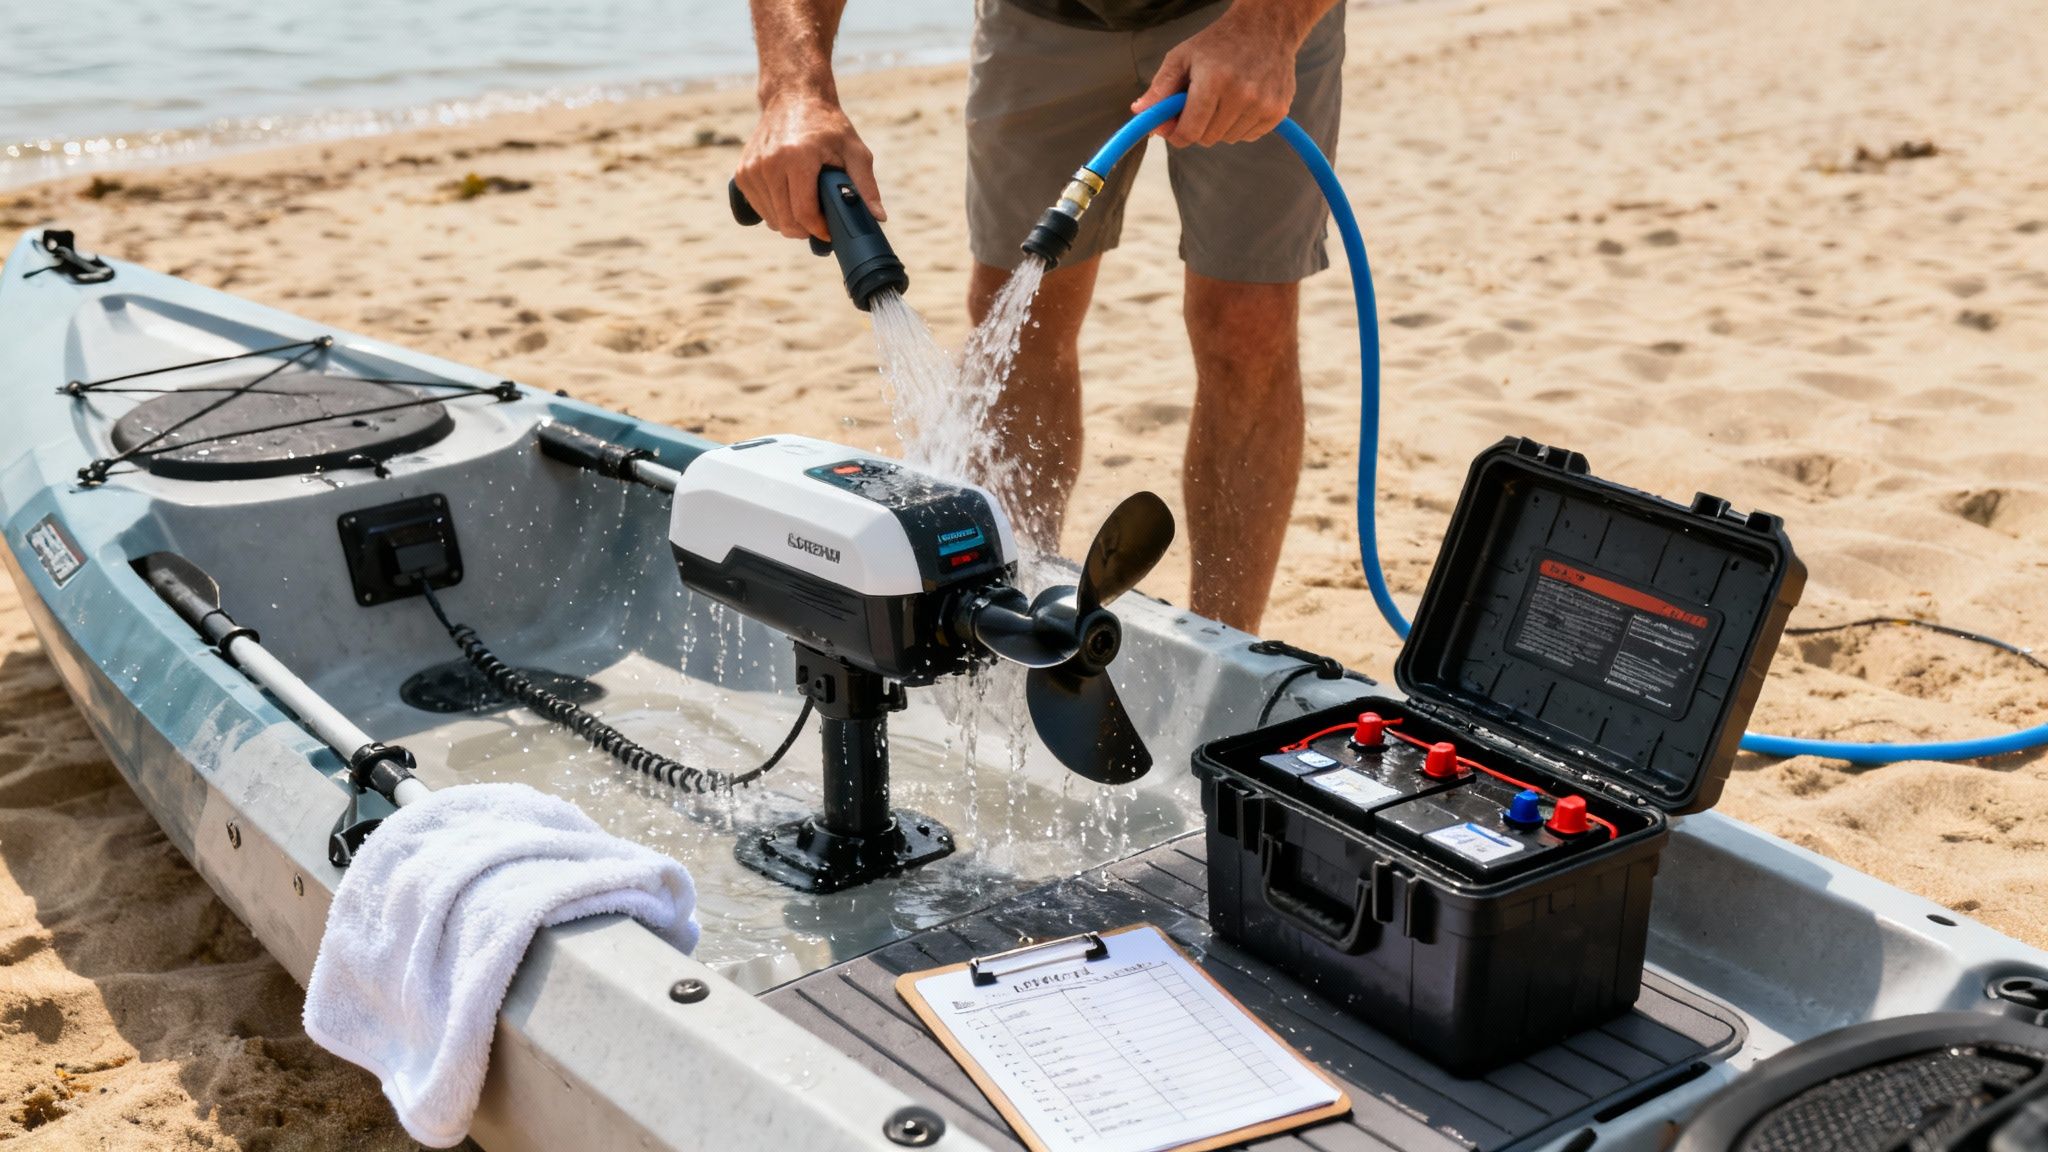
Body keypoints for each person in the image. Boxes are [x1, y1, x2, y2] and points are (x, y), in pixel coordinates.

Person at [737, 0, 1344, 634]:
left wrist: (1268, 28)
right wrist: (793, 89)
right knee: (1018, 322)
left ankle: (1226, 650)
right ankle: (1010, 626)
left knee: (1246, 325)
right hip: (1042, 16)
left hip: (1244, 11)